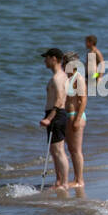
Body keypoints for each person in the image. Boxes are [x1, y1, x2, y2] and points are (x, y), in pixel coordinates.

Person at [40, 47, 71, 189]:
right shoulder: (62, 76)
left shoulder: (58, 78)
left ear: (54, 59)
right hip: (57, 114)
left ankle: (64, 183)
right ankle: (59, 181)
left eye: (46, 58)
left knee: (58, 150)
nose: (45, 60)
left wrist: (49, 118)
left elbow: (59, 100)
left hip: (56, 114)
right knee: (54, 150)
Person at [62, 54, 88, 188]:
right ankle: (76, 178)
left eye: (65, 64)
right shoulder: (68, 78)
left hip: (76, 115)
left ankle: (79, 180)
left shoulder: (79, 78)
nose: (62, 66)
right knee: (71, 149)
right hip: (68, 115)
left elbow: (83, 99)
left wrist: (77, 119)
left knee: (76, 150)